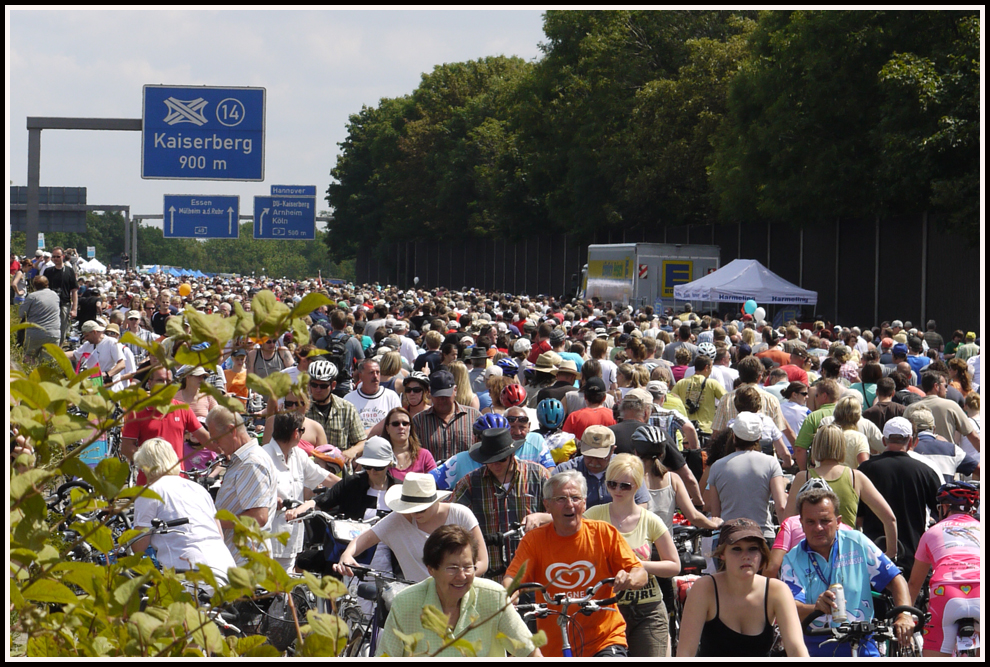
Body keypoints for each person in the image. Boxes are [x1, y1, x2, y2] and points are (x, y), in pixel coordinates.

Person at [503, 470, 648, 657]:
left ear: (585, 503)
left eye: (575, 498)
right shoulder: (534, 540)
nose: (569, 504)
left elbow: (640, 572)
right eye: (561, 498)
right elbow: (512, 578)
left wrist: (629, 578)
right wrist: (509, 595)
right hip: (554, 646)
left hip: (604, 639)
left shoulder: (604, 533)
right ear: (547, 505)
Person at [780, 484, 915, 657]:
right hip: (816, 645)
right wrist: (816, 607)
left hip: (862, 641)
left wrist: (904, 614)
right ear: (802, 524)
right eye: (810, 522)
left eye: (825, 521)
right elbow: (790, 608)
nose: (818, 528)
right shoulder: (791, 560)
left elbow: (895, 579)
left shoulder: (857, 542)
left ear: (838, 522)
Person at [377, 525, 541, 657]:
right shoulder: (406, 604)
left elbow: (530, 652)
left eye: (468, 567)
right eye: (452, 568)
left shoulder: (495, 597)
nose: (462, 576)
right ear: (432, 569)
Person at [583, 455, 680, 657]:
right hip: (607, 611)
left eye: (625, 486)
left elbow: (673, 565)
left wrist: (639, 566)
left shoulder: (650, 520)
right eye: (612, 484)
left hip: (648, 610)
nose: (617, 490)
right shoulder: (593, 516)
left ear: (637, 486)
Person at [677, 518, 808, 657]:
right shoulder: (705, 588)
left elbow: (796, 649)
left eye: (753, 549)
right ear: (722, 554)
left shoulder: (776, 591)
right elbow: (686, 653)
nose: (746, 556)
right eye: (736, 549)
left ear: (762, 553)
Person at [335, 472, 488, 582]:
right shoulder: (398, 519)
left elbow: (482, 561)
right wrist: (347, 555)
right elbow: (364, 538)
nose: (415, 514)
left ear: (436, 501)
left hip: (461, 593)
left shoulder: (461, 514)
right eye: (408, 509)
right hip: (419, 602)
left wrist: (460, 579)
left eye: (421, 509)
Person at [131, 437, 235, 588]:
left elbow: (138, 546)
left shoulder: (150, 492)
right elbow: (219, 534)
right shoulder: (198, 489)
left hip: (188, 572)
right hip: (224, 567)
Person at [783, 424, 897, 559]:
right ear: (842, 446)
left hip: (810, 553)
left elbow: (787, 521)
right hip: (847, 553)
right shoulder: (856, 477)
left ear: (816, 446)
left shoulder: (803, 477)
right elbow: (890, 518)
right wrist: (890, 553)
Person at [453, 427, 552, 577]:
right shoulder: (470, 482)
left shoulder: (538, 475)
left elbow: (565, 514)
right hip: (491, 571)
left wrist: (541, 517)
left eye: (501, 459)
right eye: (489, 460)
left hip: (534, 569)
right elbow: (450, 516)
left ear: (512, 454)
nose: (495, 465)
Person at [907, 481, 981, 657]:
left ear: (945, 507)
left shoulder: (932, 532)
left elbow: (914, 584)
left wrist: (905, 615)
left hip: (945, 593)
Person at [857, 417, 942, 571]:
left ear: (884, 440)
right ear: (911, 441)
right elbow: (941, 511)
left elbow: (859, 517)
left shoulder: (865, 469)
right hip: (913, 556)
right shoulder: (925, 471)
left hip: (874, 555)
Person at [263, 412, 340, 571]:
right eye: (302, 431)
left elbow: (324, 477)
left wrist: (351, 486)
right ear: (295, 433)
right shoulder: (262, 456)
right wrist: (271, 499)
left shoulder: (298, 455)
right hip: (267, 539)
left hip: (292, 540)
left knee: (285, 590)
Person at [205, 406, 279, 565]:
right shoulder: (245, 460)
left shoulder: (251, 463)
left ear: (231, 430)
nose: (216, 445)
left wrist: (212, 521)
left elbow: (258, 517)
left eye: (217, 439)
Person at [707, 412, 786, 543]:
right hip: (763, 535)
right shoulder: (771, 463)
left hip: (729, 536)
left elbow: (716, 513)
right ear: (759, 437)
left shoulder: (717, 466)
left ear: (734, 436)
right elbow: (781, 506)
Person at [121, 366, 212, 480]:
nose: (165, 384)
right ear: (150, 383)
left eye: (169, 381)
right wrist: (149, 464)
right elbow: (126, 447)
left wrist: (223, 451)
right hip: (149, 483)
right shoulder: (138, 412)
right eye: (160, 380)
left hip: (177, 480)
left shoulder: (183, 409)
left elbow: (204, 437)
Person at [556, 425, 650, 508]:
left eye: (600, 457)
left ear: (612, 450)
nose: (594, 462)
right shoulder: (565, 471)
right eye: (589, 456)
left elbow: (642, 503)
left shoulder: (627, 468)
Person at [411, 370, 482, 463]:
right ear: (429, 392)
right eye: (438, 396)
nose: (442, 400)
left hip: (468, 475)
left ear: (455, 390)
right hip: (432, 476)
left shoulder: (474, 417)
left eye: (446, 396)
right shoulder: (419, 421)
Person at [304, 359, 366, 456]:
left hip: (339, 466)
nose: (318, 389)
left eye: (323, 386)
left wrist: (351, 451)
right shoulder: (302, 408)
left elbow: (361, 441)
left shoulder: (347, 408)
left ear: (333, 385)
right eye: (314, 385)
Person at [378, 406, 436, 481]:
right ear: (387, 428)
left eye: (405, 423)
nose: (401, 427)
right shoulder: (379, 456)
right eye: (395, 424)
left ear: (410, 427)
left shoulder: (424, 455)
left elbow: (435, 483)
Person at [18, 275, 61, 360]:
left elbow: (21, 314)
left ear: (34, 285)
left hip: (35, 333)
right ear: (47, 284)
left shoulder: (32, 296)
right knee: (48, 361)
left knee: (29, 357)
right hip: (53, 333)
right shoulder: (55, 295)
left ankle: (30, 372)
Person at [42, 247, 78, 345]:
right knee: (48, 327)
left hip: (64, 303)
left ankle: (59, 347)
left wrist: (74, 309)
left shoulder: (69, 271)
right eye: (53, 257)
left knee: (62, 328)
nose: (55, 259)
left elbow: (74, 290)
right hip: (50, 305)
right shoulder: (48, 271)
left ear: (62, 256)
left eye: (58, 256)